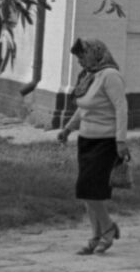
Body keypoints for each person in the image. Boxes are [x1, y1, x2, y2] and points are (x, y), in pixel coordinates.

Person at [56, 38, 130, 255]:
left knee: (88, 189)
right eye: (78, 57)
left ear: (96, 53)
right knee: (90, 192)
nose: (80, 61)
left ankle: (107, 229)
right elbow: (83, 108)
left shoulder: (110, 76)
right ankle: (95, 236)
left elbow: (121, 108)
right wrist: (68, 129)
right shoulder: (89, 76)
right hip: (86, 141)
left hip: (105, 142)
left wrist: (121, 140)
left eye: (82, 55)